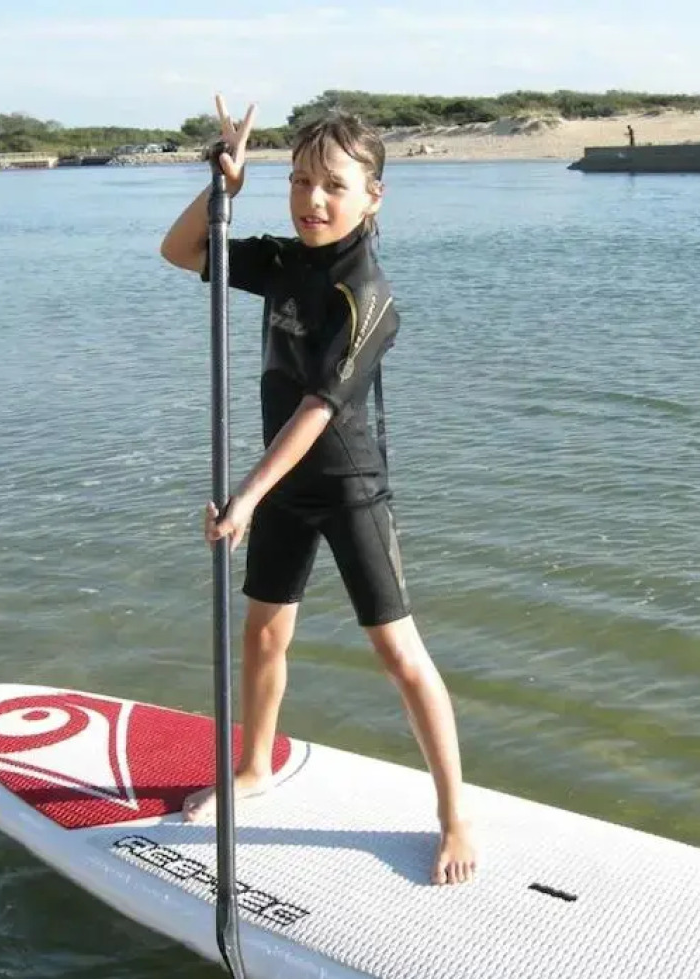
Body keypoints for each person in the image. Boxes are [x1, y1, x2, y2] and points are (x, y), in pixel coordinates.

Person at [158, 94, 477, 885]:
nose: (313, 201)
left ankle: (456, 818)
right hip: (278, 488)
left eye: (333, 185)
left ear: (374, 194)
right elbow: (179, 249)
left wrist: (247, 495)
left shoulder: (369, 297)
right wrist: (222, 188)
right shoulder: (279, 262)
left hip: (346, 486)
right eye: (300, 183)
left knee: (398, 654)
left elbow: (317, 408)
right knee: (264, 633)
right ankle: (252, 768)